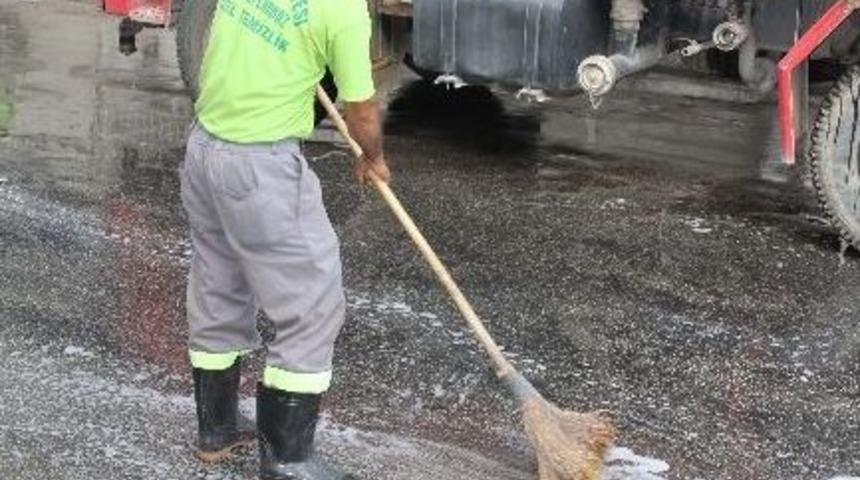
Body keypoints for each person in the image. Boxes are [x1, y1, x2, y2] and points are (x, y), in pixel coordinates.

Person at [179, 0, 390, 477]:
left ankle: (217, 430)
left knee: (219, 283)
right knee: (312, 302)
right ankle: (288, 458)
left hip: (205, 149)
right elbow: (360, 110)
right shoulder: (343, 12)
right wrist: (372, 156)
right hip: (259, 167)